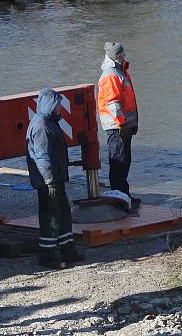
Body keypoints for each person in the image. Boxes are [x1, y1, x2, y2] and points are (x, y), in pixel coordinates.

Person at [26, 88, 84, 269]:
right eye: (58, 104)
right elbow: (42, 157)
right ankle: (47, 254)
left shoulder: (49, 122)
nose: (60, 107)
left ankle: (68, 249)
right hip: (48, 181)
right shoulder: (42, 126)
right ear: (50, 105)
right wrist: (49, 180)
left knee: (63, 213)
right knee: (51, 217)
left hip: (54, 179)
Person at [97, 42, 139, 203]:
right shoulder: (111, 74)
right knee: (118, 162)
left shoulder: (119, 71)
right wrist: (122, 124)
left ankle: (124, 196)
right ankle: (119, 197)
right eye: (122, 54)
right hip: (117, 127)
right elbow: (112, 103)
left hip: (122, 126)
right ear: (117, 56)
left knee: (123, 161)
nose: (124, 56)